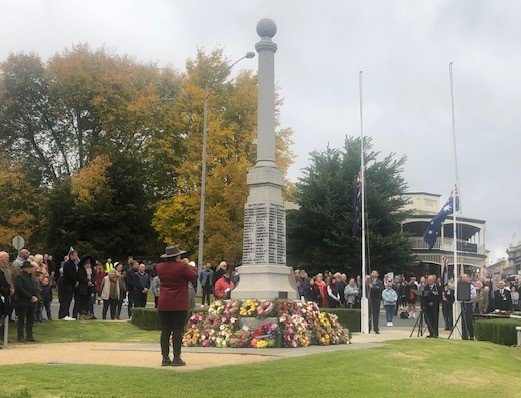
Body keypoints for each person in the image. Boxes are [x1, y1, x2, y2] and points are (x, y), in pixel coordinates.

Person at [156, 245, 198, 366]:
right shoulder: (182, 266)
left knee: (165, 331)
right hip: (179, 303)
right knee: (177, 331)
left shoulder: (159, 267)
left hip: (164, 302)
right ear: (177, 256)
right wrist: (189, 265)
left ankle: (165, 358)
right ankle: (176, 358)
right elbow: (194, 276)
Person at [14, 261, 38, 342]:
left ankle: (29, 336)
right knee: (21, 319)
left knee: (30, 320)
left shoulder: (31, 277)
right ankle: (20, 336)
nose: (31, 269)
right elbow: (20, 289)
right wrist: (30, 297)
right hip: (23, 301)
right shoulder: (19, 277)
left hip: (31, 302)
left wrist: (35, 297)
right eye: (30, 267)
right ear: (25, 268)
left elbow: (34, 288)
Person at [59, 250, 79, 320]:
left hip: (70, 285)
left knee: (68, 300)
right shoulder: (67, 264)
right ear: (71, 255)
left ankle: (66, 314)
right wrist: (75, 282)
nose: (76, 257)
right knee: (65, 300)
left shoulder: (72, 264)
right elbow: (70, 275)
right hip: (66, 285)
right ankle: (64, 315)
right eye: (75, 255)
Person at [75, 255, 95, 320]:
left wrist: (92, 281)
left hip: (90, 286)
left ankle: (87, 313)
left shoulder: (92, 267)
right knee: (82, 300)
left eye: (89, 260)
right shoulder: (81, 267)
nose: (88, 261)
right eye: (87, 260)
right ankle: (81, 314)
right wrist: (87, 281)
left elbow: (94, 275)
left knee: (88, 300)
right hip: (83, 285)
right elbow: (80, 276)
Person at [460, 274, 476, 340]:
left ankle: (471, 336)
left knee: (469, 321)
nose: (463, 279)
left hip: (468, 305)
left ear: (468, 278)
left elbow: (473, 295)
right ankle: (464, 336)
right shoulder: (460, 286)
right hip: (462, 304)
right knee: (463, 322)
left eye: (464, 277)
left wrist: (466, 297)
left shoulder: (471, 286)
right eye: (462, 277)